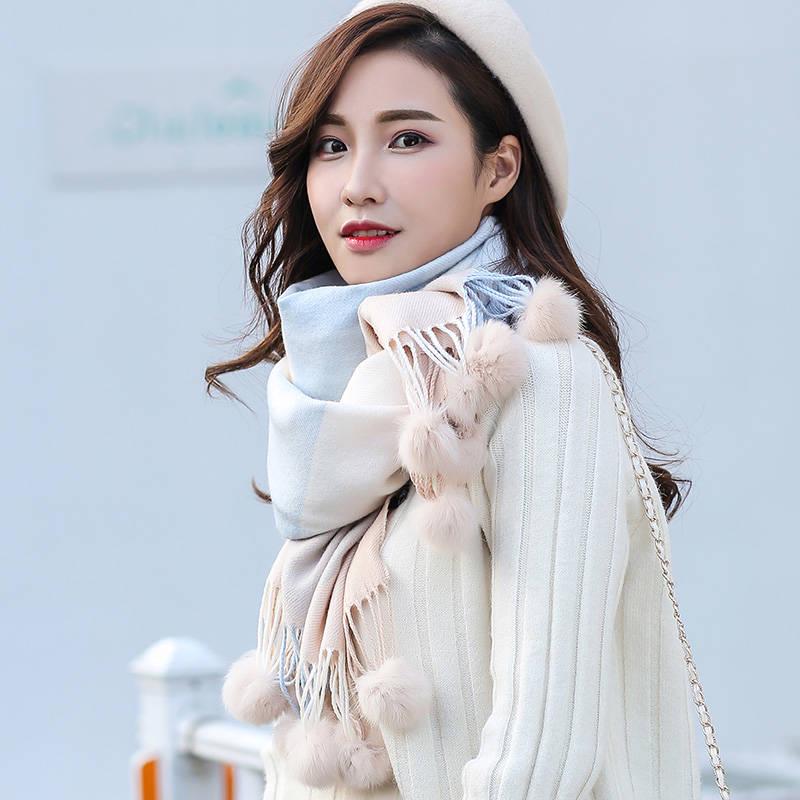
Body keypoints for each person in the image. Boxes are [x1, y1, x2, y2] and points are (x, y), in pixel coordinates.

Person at [206, 1, 719, 798]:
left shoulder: (536, 377)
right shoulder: (339, 393)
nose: (358, 185)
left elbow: (543, 750)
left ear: (499, 169)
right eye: (332, 146)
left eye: (407, 138)